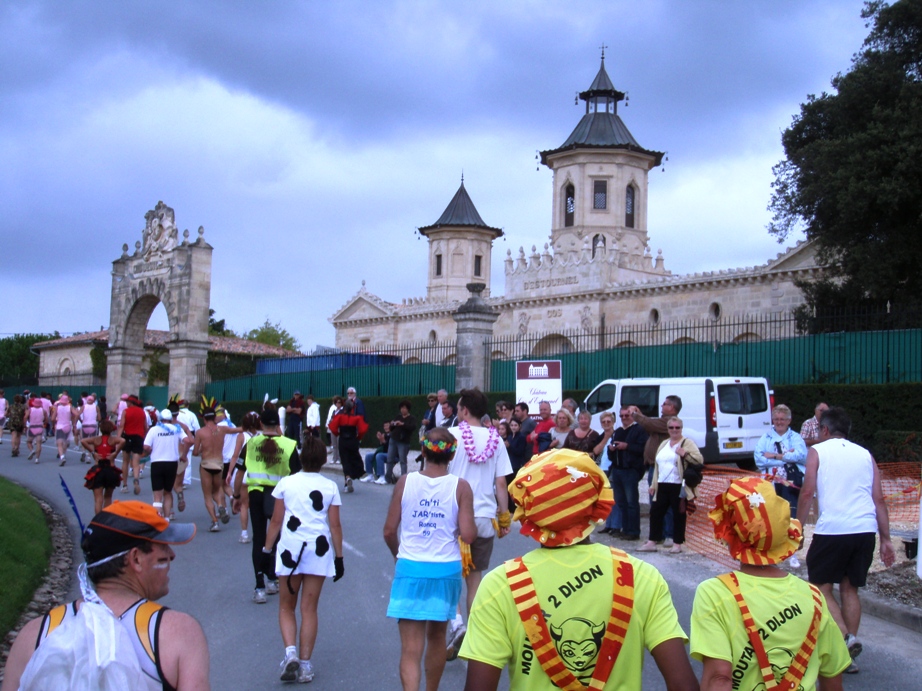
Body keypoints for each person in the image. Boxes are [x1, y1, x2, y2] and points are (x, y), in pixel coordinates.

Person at [459, 448, 698, 691]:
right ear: (596, 504)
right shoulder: (641, 576)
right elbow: (684, 684)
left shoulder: (500, 584)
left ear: (528, 511)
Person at [1, 501, 209, 691]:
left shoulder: (34, 635)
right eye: (162, 546)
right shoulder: (180, 633)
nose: (171, 554)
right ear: (136, 558)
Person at [691, 477, 850, 690]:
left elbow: (719, 678)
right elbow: (832, 678)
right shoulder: (813, 597)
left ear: (729, 536)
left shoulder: (714, 593)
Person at [796, 406, 896, 674]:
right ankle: (848, 655)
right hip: (864, 530)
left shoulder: (817, 451)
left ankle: (845, 638)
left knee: (819, 586)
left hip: (833, 530)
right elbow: (879, 499)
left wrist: (798, 526)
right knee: (850, 589)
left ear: (825, 430)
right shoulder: (866, 454)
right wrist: (886, 539)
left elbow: (807, 493)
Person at [384, 428, 477, 691]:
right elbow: (468, 535)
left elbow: (389, 531)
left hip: (411, 566)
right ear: (453, 455)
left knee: (410, 648)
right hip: (445, 570)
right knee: (437, 637)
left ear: (422, 452)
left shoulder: (405, 482)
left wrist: (398, 555)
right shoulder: (460, 487)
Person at [265, 436, 344, 684]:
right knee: (309, 609)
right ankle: (306, 665)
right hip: (318, 551)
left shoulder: (286, 484)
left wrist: (267, 550)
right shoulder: (330, 486)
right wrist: (339, 557)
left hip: (291, 548)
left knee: (286, 607)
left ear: (300, 458)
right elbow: (335, 525)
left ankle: (290, 654)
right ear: (323, 460)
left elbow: (276, 521)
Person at [445, 388, 513, 661]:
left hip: (453, 516)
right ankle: (472, 635)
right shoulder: (496, 440)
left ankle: (457, 625)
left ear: (463, 411)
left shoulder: (451, 436)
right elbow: (501, 483)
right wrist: (504, 517)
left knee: (450, 578)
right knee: (475, 581)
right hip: (484, 517)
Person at [233, 405, 300, 603]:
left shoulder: (251, 443)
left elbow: (239, 471)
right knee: (277, 537)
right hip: (279, 495)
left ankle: (259, 585)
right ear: (278, 424)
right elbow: (296, 475)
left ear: (261, 424)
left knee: (259, 538)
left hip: (256, 493)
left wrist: (237, 495)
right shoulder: (289, 445)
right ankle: (272, 578)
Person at [638, 416, 703, 554]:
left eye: (677, 427)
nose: (674, 430)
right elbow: (657, 466)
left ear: (681, 428)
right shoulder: (664, 443)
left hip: (678, 484)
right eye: (671, 427)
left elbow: (699, 460)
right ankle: (652, 541)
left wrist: (684, 453)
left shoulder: (687, 443)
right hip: (662, 483)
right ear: (667, 429)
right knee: (655, 513)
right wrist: (653, 485)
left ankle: (677, 543)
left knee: (678, 515)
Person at [192, 398, 241, 532]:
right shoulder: (223, 429)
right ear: (214, 417)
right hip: (219, 464)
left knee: (208, 495)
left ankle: (215, 521)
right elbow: (239, 429)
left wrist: (202, 448)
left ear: (204, 419)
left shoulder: (200, 432)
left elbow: (195, 452)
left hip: (206, 464)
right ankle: (221, 505)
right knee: (217, 490)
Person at [754, 404, 808, 523]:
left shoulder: (796, 437)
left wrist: (774, 455)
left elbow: (801, 456)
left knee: (791, 516)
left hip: (792, 483)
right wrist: (787, 457)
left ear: (789, 420)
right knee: (772, 517)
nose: (779, 422)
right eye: (776, 419)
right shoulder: (765, 438)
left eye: (782, 419)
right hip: (770, 482)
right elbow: (759, 459)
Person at [603, 407, 649, 539]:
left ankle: (633, 531)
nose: (624, 418)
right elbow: (611, 454)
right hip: (617, 470)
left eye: (627, 416)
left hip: (630, 470)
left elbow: (642, 449)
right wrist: (611, 449)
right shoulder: (618, 431)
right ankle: (625, 529)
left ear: (633, 416)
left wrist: (627, 446)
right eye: (621, 416)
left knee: (631, 503)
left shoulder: (639, 430)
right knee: (621, 502)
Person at [143, 409, 193, 521]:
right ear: (171, 419)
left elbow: (146, 446)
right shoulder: (176, 429)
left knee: (157, 496)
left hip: (157, 463)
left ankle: (157, 520)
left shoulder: (154, 430)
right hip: (171, 463)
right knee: (167, 492)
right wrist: (184, 455)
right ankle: (167, 518)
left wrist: (151, 451)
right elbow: (188, 441)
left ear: (160, 419)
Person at [228, 411, 261, 543]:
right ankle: (259, 532)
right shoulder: (262, 435)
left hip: (244, 473)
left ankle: (244, 533)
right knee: (257, 506)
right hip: (258, 473)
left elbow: (236, 455)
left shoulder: (242, 436)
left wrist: (230, 471)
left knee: (244, 505)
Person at [81, 420, 127, 514]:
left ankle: (98, 520)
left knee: (98, 499)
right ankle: (106, 519)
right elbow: (123, 440)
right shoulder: (113, 439)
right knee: (108, 497)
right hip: (110, 469)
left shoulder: (96, 439)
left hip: (98, 470)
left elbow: (83, 441)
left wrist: (93, 452)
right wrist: (115, 453)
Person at [327, 399, 369, 493]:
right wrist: (358, 437)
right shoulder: (357, 418)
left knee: (345, 460)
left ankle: (347, 478)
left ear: (344, 408)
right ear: (353, 408)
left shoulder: (339, 417)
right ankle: (357, 474)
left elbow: (332, 426)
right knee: (354, 457)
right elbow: (363, 429)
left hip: (343, 440)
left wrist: (337, 433)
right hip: (353, 440)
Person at [118, 395, 149, 495]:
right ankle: (136, 480)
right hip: (139, 437)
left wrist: (118, 438)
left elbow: (122, 425)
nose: (126, 403)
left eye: (127, 402)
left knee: (125, 461)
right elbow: (146, 427)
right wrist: (145, 438)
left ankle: (125, 485)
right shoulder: (142, 412)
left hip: (127, 437)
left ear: (130, 403)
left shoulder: (126, 411)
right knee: (136, 462)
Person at [386, 400, 418, 482]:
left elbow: (412, 427)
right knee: (389, 459)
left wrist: (403, 424)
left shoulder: (411, 418)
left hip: (403, 441)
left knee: (403, 460)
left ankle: (403, 479)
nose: (403, 410)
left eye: (404, 408)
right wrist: (392, 424)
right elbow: (391, 428)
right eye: (401, 408)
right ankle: (387, 478)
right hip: (393, 439)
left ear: (408, 409)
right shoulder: (398, 417)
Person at [52, 393, 76, 466]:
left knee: (59, 443)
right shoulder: (70, 407)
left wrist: (54, 422)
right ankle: (64, 454)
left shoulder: (57, 407)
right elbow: (76, 414)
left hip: (60, 426)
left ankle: (62, 457)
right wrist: (74, 422)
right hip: (68, 425)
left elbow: (52, 418)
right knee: (65, 441)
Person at [76, 394, 100, 463]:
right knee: (91, 442)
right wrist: (95, 419)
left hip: (85, 425)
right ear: (94, 400)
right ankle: (89, 456)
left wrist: (81, 420)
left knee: (84, 440)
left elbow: (78, 414)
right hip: (93, 425)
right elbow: (99, 418)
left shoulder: (84, 407)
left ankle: (83, 452)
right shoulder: (96, 407)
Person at [25, 396, 48, 463]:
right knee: (39, 443)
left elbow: (25, 417)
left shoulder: (30, 410)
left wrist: (25, 424)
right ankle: (37, 459)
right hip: (40, 427)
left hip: (32, 427)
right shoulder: (43, 411)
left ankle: (32, 450)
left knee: (29, 441)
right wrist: (44, 423)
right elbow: (46, 420)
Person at [326, 395, 344, 462]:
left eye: (339, 402)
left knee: (339, 444)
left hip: (339, 429)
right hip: (333, 429)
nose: (338, 404)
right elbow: (331, 418)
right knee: (334, 445)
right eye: (336, 402)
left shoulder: (342, 411)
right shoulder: (334, 411)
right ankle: (334, 458)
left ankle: (339, 458)